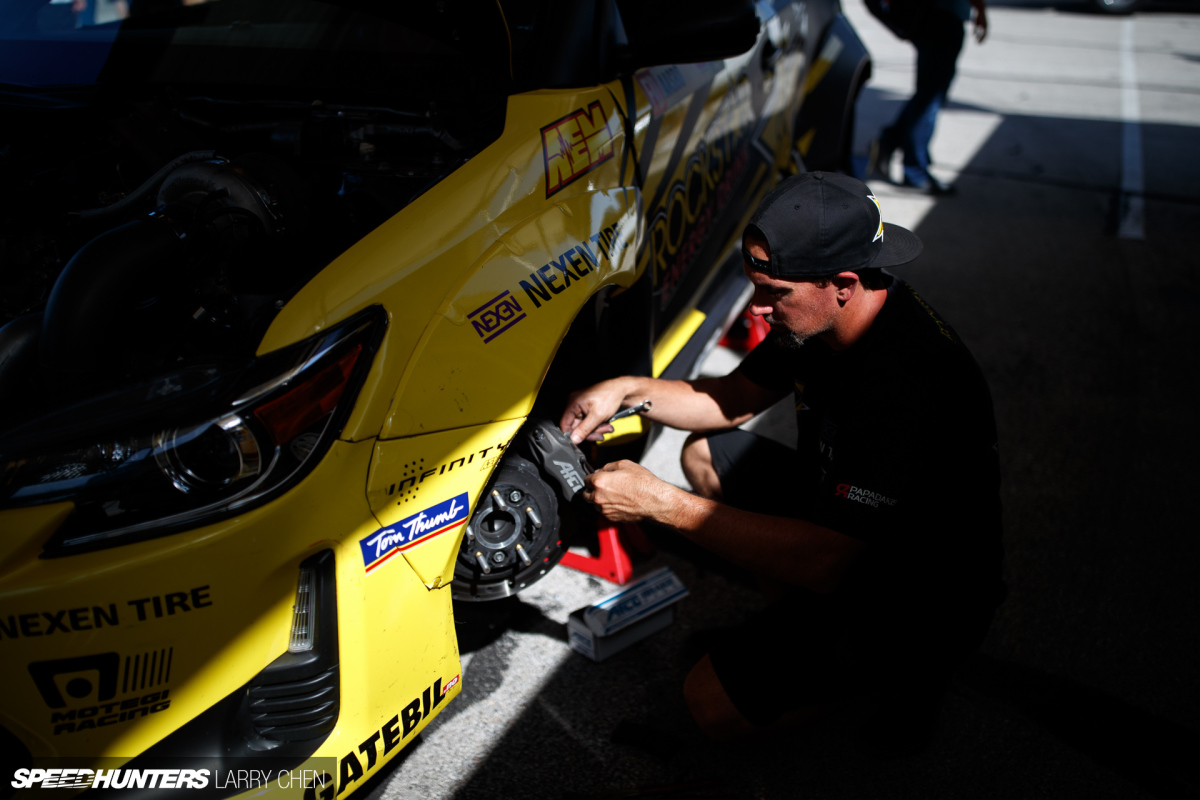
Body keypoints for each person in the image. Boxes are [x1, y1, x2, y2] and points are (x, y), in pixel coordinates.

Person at [559, 172, 1004, 751]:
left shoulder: (905, 385)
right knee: (706, 455)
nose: (759, 308)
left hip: (919, 591)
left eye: (773, 292)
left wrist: (659, 504)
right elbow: (730, 400)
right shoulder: (820, 317)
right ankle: (803, 634)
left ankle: (885, 676)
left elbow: (825, 560)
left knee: (709, 705)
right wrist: (624, 389)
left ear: (842, 282)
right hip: (847, 524)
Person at [867, 0, 988, 194]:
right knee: (930, 98)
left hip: (927, 17)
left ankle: (888, 142)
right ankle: (914, 169)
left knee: (928, 93)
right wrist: (980, 9)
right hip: (941, 18)